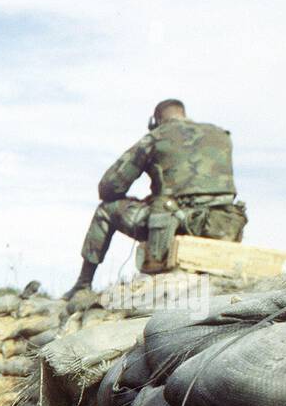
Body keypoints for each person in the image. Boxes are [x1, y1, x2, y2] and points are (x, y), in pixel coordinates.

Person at [65, 99, 247, 299]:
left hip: (176, 225)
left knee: (105, 210)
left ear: (157, 119)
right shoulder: (221, 135)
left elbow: (109, 187)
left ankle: (83, 284)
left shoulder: (155, 137)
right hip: (223, 227)